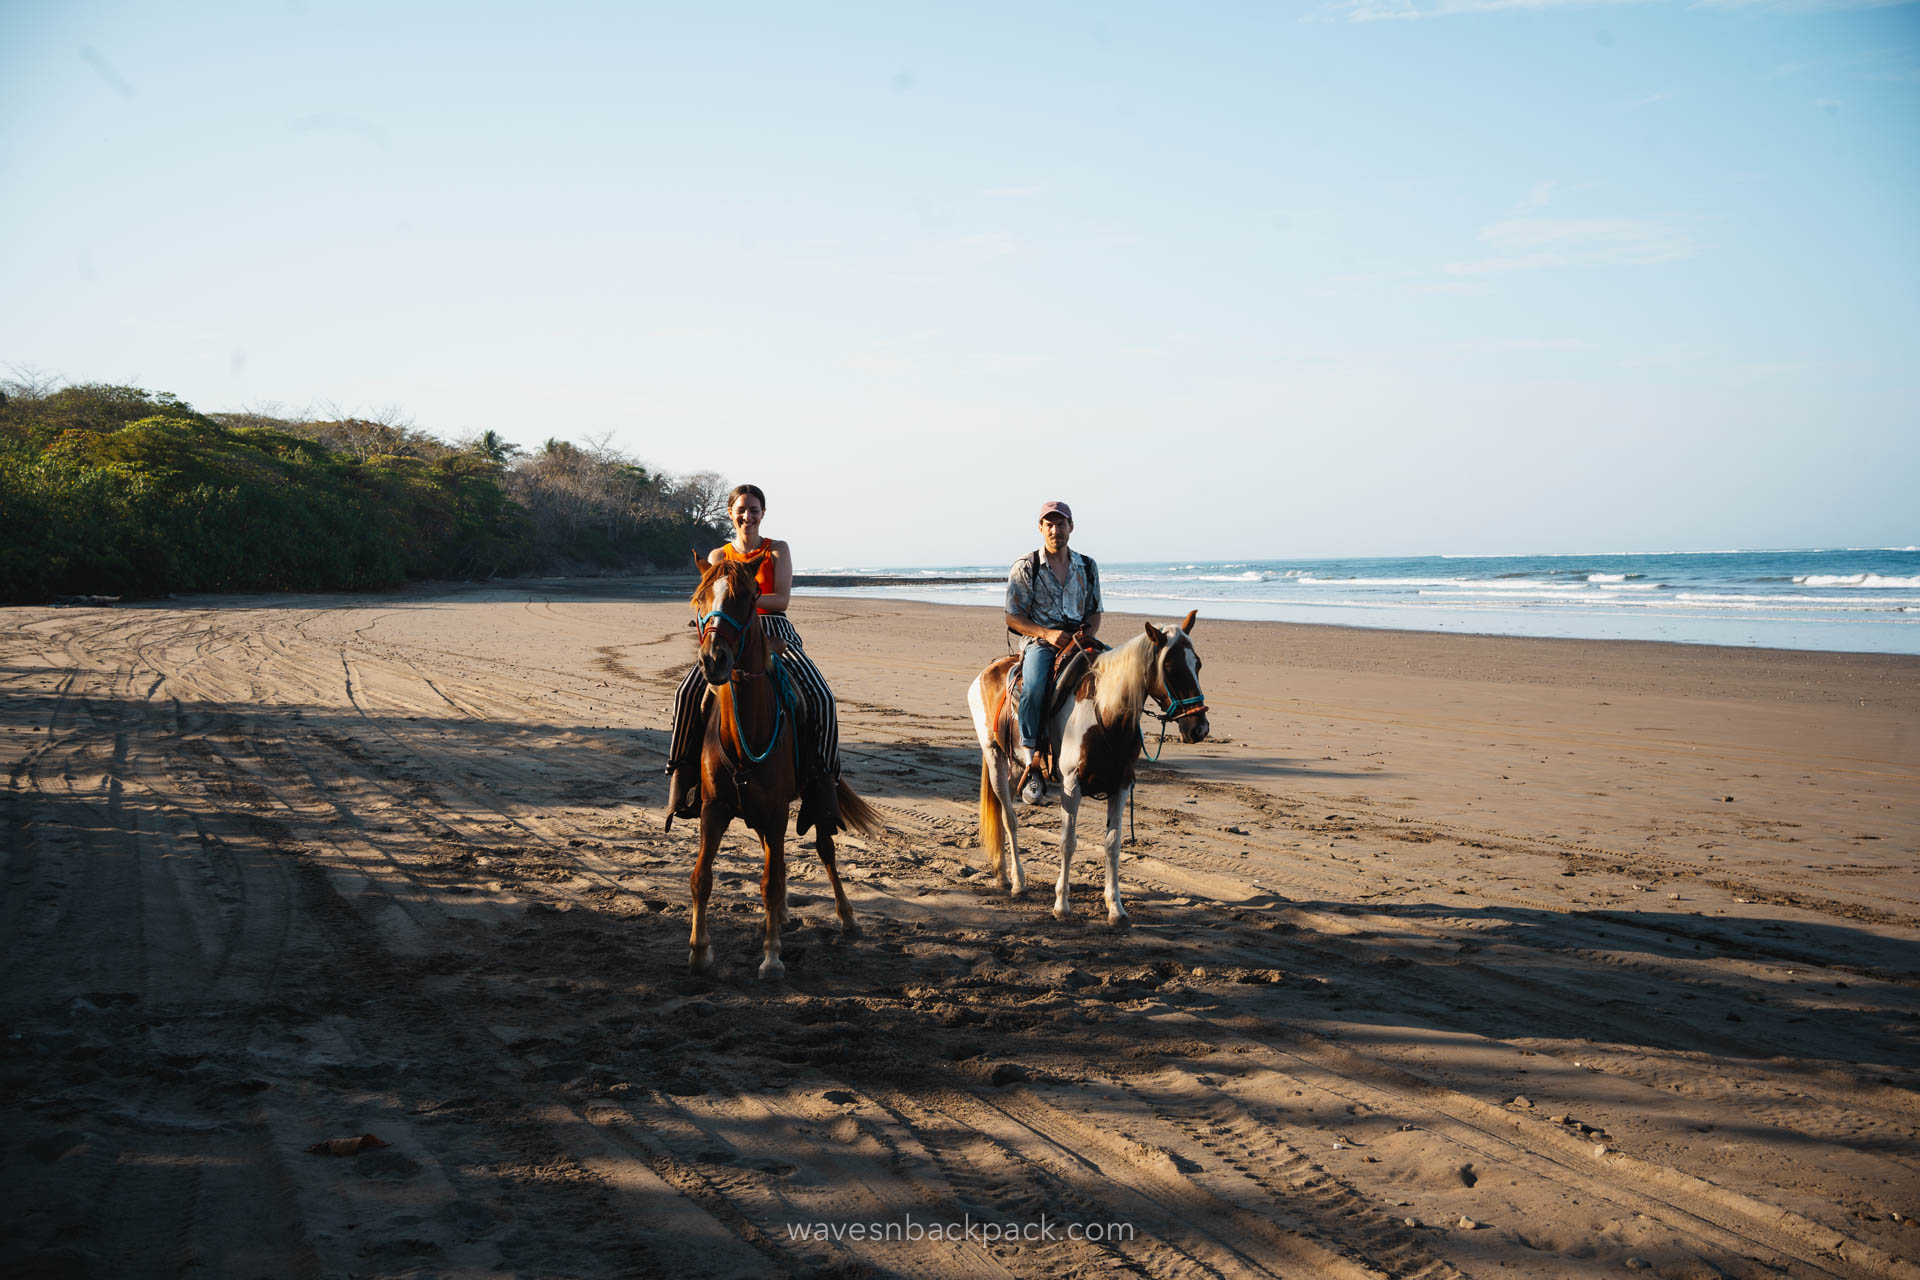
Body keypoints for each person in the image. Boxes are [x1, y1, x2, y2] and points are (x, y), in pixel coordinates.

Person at [663, 484, 843, 836]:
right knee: (686, 693)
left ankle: (824, 785)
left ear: (763, 513)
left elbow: (782, 600)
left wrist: (743, 603)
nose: (748, 515)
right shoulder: (718, 557)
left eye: (754, 509)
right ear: (730, 513)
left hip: (774, 632)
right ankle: (681, 776)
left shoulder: (777, 550)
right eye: (741, 509)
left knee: (822, 697)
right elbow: (711, 600)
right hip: (729, 633)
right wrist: (731, 611)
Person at [1004, 500, 1103, 790]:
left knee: (1118, 676)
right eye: (1049, 524)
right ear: (1040, 528)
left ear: (1071, 527)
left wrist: (1087, 634)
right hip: (1041, 642)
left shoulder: (1087, 565)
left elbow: (1095, 610)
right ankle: (1032, 760)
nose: (1055, 529)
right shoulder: (1026, 566)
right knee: (1034, 688)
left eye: (1061, 524)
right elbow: (1013, 616)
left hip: (1079, 639)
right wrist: (1046, 634)